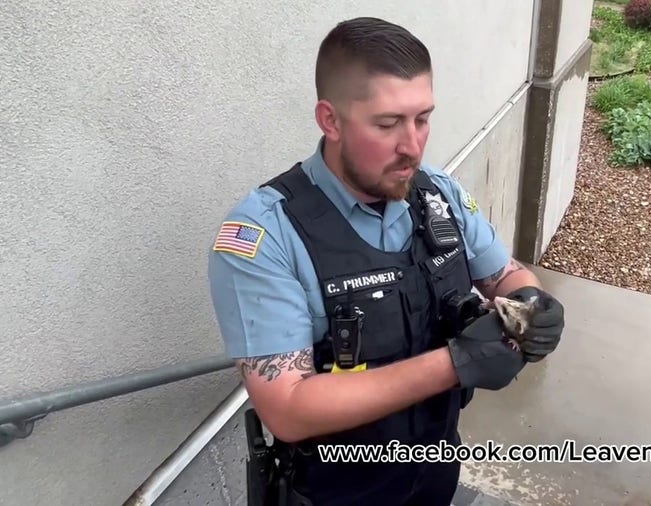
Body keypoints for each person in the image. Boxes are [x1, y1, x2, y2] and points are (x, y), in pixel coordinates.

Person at [207, 16, 565, 506]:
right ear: (330, 120)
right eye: (387, 123)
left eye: (422, 118)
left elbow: (503, 272)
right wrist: (456, 364)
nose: (412, 145)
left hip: (435, 474)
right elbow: (287, 407)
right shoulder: (267, 235)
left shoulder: (438, 193)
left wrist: (529, 302)